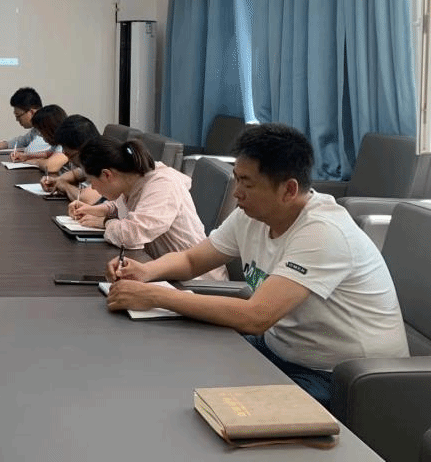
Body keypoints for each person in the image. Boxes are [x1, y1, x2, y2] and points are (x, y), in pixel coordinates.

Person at [104, 123, 408, 407]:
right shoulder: (251, 215)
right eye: (236, 178)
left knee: (219, 405)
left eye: (247, 183)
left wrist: (157, 296)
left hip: (340, 377)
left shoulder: (323, 232)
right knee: (181, 368)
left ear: (288, 190)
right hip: (278, 350)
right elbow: (191, 260)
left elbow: (256, 316)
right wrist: (145, 271)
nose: (236, 192)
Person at [73, 137, 223, 281]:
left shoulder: (162, 185)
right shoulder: (134, 180)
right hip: (162, 272)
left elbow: (131, 235)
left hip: (195, 280)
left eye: (91, 181)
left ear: (107, 174)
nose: (93, 187)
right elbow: (125, 206)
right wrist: (100, 210)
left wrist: (106, 222)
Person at [43, 114, 102, 204]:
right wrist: (57, 181)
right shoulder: (91, 159)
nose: (69, 160)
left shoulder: (104, 162)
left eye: (70, 155)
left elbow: (87, 199)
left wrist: (65, 186)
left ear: (82, 149)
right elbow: (75, 174)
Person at [0, 87, 52, 153]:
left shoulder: (50, 127)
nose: (17, 120)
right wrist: (3, 144)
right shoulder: (36, 129)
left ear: (31, 112)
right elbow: (23, 141)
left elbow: (32, 149)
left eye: (18, 116)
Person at [10, 104, 68, 173]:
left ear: (50, 129)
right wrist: (26, 156)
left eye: (42, 132)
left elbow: (50, 166)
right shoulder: (58, 143)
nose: (42, 137)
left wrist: (36, 162)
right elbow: (48, 153)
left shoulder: (66, 144)